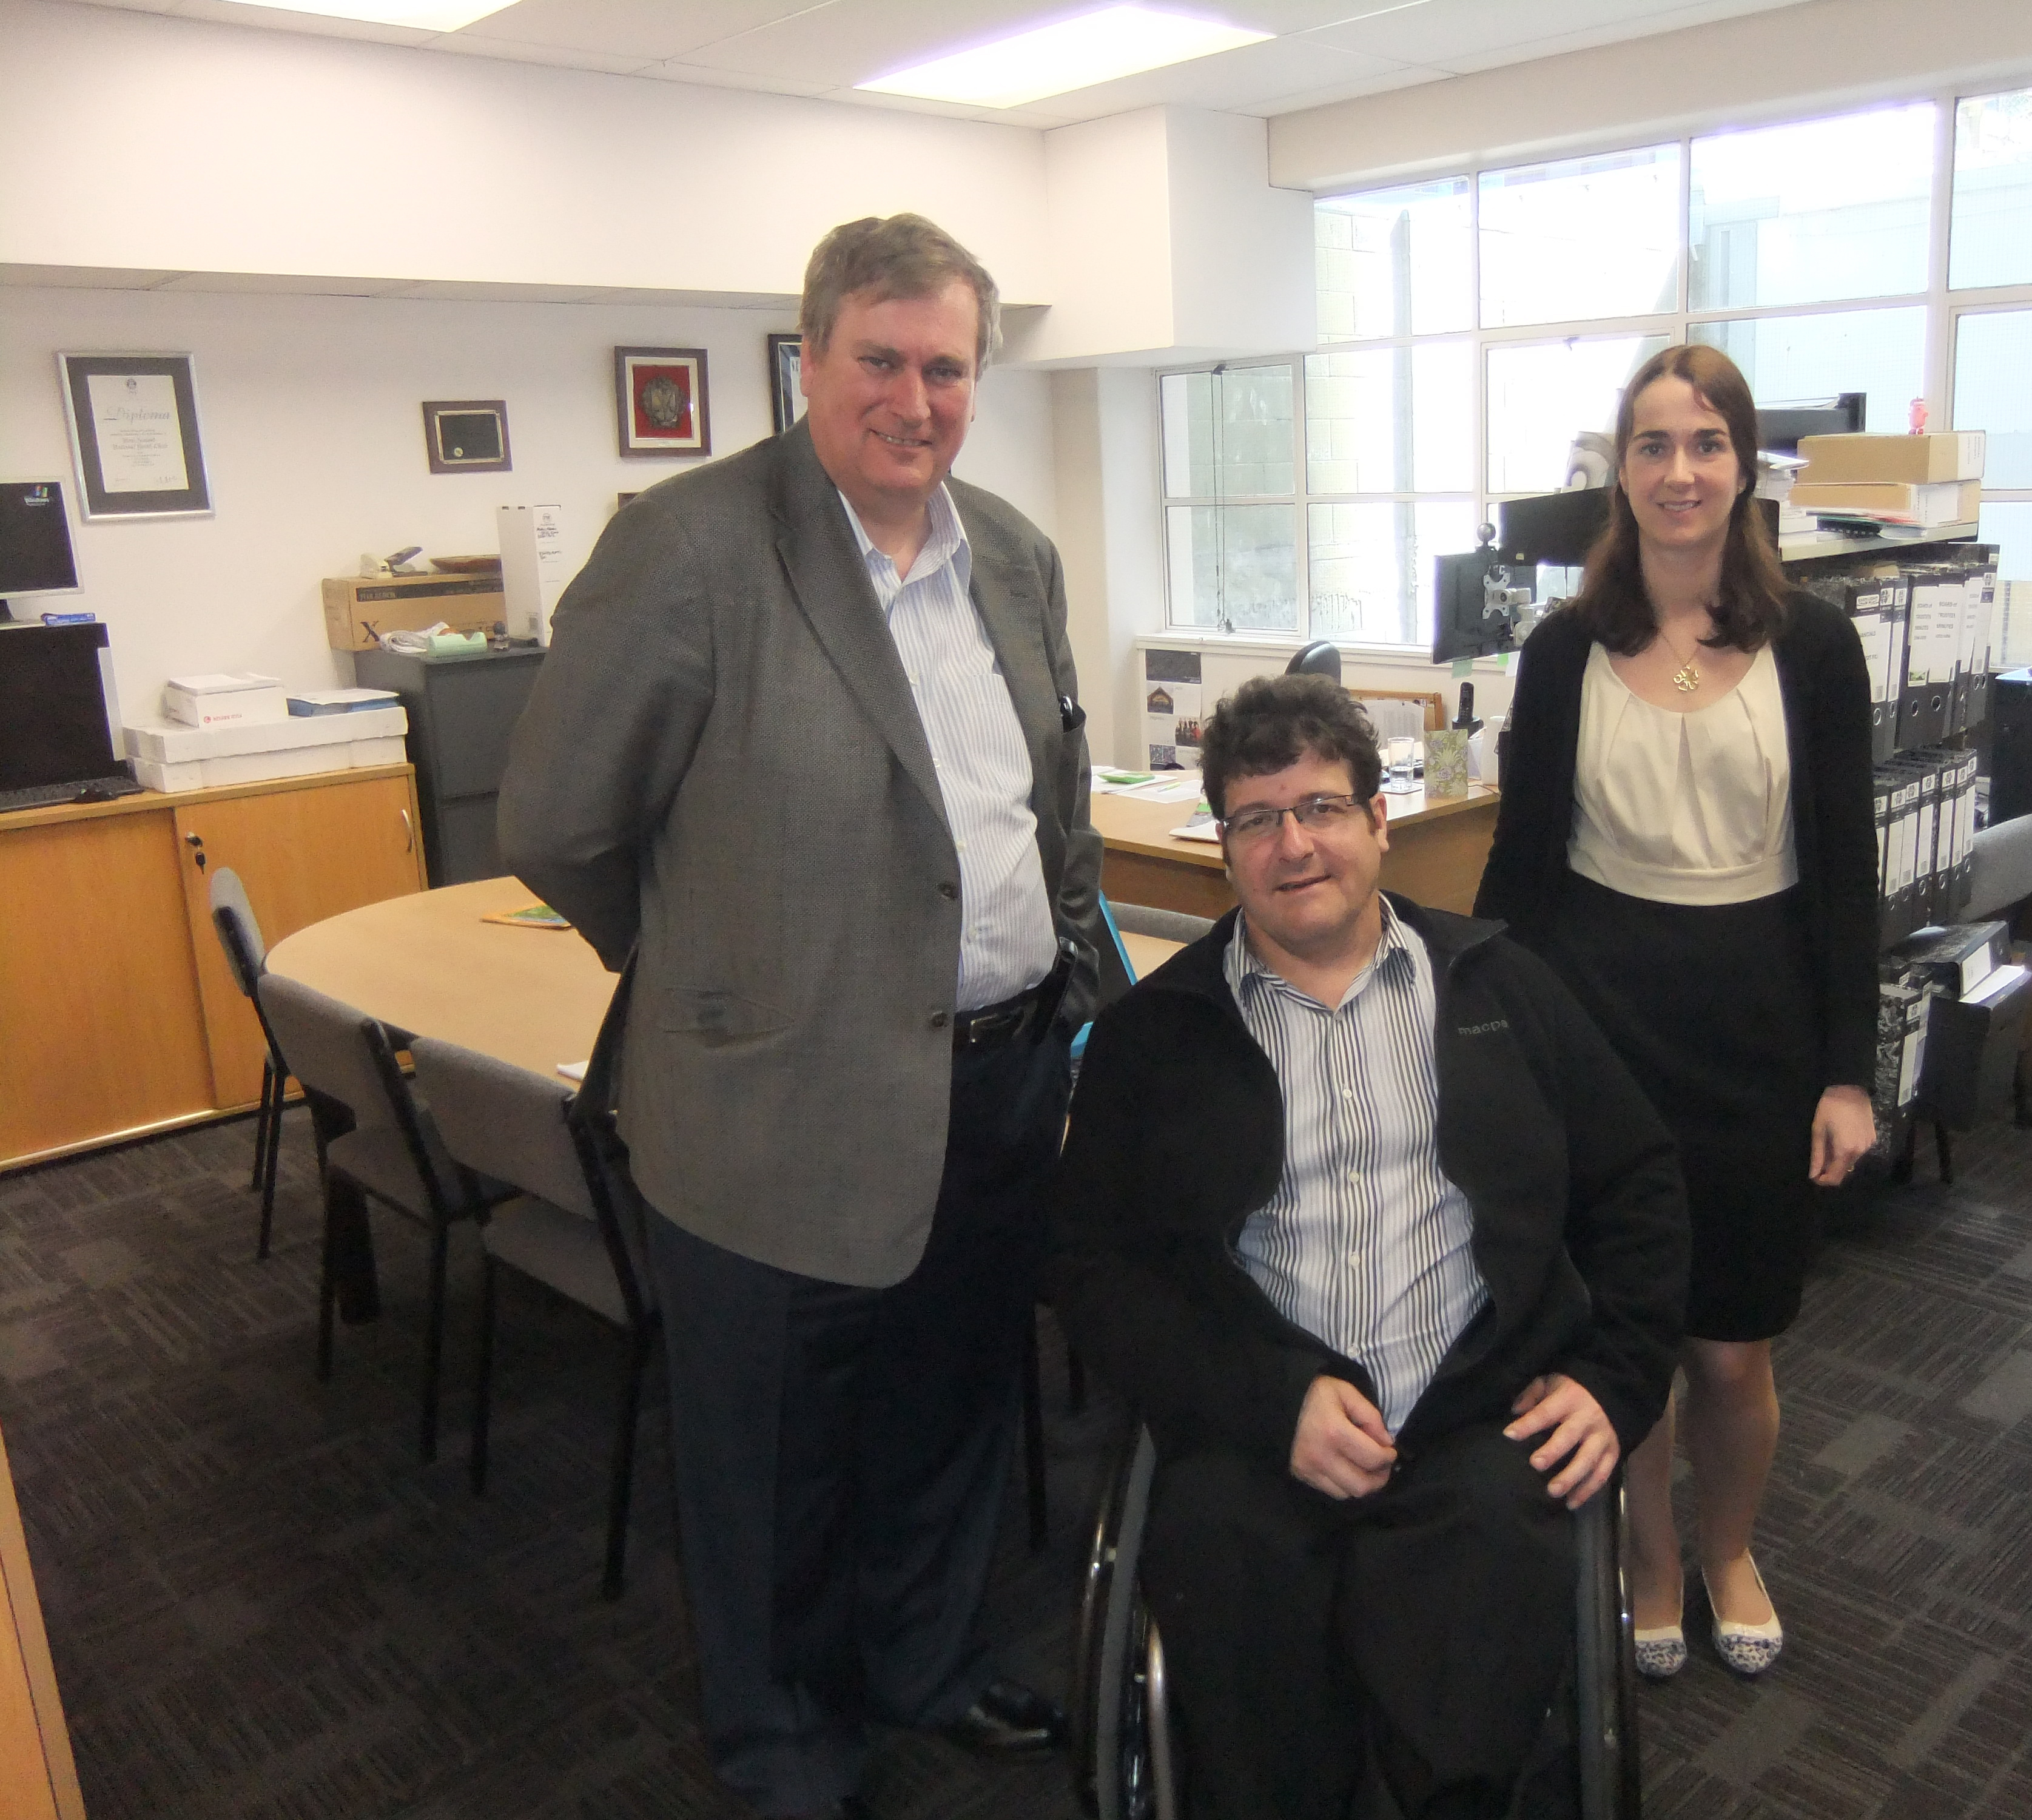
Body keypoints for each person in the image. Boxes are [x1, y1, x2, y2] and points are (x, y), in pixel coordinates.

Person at [498, 214, 1105, 1820]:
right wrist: (716, 977)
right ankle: (780, 1743)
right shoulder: (693, 549)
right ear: (813, 359)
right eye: (882, 362)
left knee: (956, 1408)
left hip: (996, 1079)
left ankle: (921, 1662)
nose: (917, 398)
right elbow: (559, 818)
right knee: (776, 1458)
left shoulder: (1018, 557)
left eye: (948, 367)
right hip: (774, 1102)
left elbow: (1048, 808)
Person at [1052, 674, 1690, 1820]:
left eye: (1324, 809)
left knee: (1469, 1748)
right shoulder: (1154, 1039)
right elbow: (1097, 1268)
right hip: (1255, 1427)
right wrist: (1268, 1399)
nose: (1295, 845)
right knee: (1258, 1750)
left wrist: (1614, 1381)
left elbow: (1639, 1185)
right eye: (1258, 818)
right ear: (1225, 844)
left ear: (1378, 823)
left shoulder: (1501, 991)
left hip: (1476, 1422)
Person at [1473, 343, 1878, 1681]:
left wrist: (1846, 1071)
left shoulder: (1813, 647)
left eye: (1704, 444)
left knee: (1732, 1347)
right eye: (1651, 445)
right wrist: (1478, 1037)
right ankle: (1649, 1553)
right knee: (1630, 1332)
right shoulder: (1561, 651)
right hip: (1600, 1030)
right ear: (1619, 473)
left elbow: (1845, 875)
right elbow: (1521, 868)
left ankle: (1728, 1548)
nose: (1678, 472)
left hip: (1756, 1038)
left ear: (1743, 467)